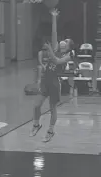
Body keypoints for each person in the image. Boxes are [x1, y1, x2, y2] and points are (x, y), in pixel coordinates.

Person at [30, 9, 74, 142]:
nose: (63, 41)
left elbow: (56, 61)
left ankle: (51, 130)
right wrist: (54, 18)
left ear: (68, 46)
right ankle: (36, 124)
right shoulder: (55, 48)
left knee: (52, 108)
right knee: (36, 105)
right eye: (63, 40)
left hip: (55, 82)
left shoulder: (69, 55)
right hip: (45, 80)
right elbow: (54, 33)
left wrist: (49, 50)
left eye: (66, 41)